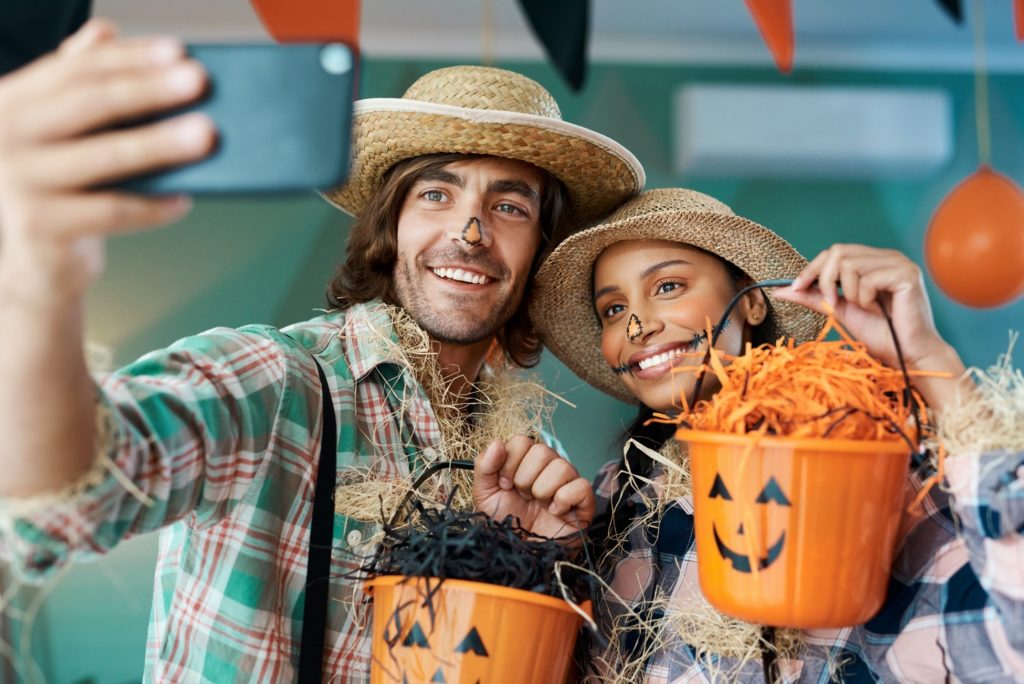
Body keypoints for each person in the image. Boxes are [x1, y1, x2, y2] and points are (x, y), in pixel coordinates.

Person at [0, 18, 644, 682]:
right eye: (436, 194)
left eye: (510, 207)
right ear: (390, 227)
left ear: (539, 250)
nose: (471, 230)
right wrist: (41, 282)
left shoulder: (537, 464)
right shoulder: (274, 383)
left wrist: (538, 566)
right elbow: (65, 499)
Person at [530, 188, 1024, 682]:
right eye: (613, 310)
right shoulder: (613, 499)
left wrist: (929, 361)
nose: (636, 325)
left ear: (752, 302)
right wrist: (538, 559)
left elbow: (1008, 641)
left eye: (668, 286)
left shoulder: (862, 464)